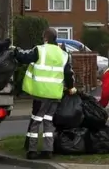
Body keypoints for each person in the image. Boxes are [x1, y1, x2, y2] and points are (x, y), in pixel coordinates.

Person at [13, 28, 76, 160]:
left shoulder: (40, 50)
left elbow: (25, 58)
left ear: (45, 38)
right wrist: (71, 87)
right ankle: (48, 150)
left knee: (36, 121)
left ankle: (32, 150)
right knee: (48, 122)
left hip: (41, 93)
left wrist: (15, 51)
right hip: (55, 95)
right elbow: (69, 74)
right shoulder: (63, 54)